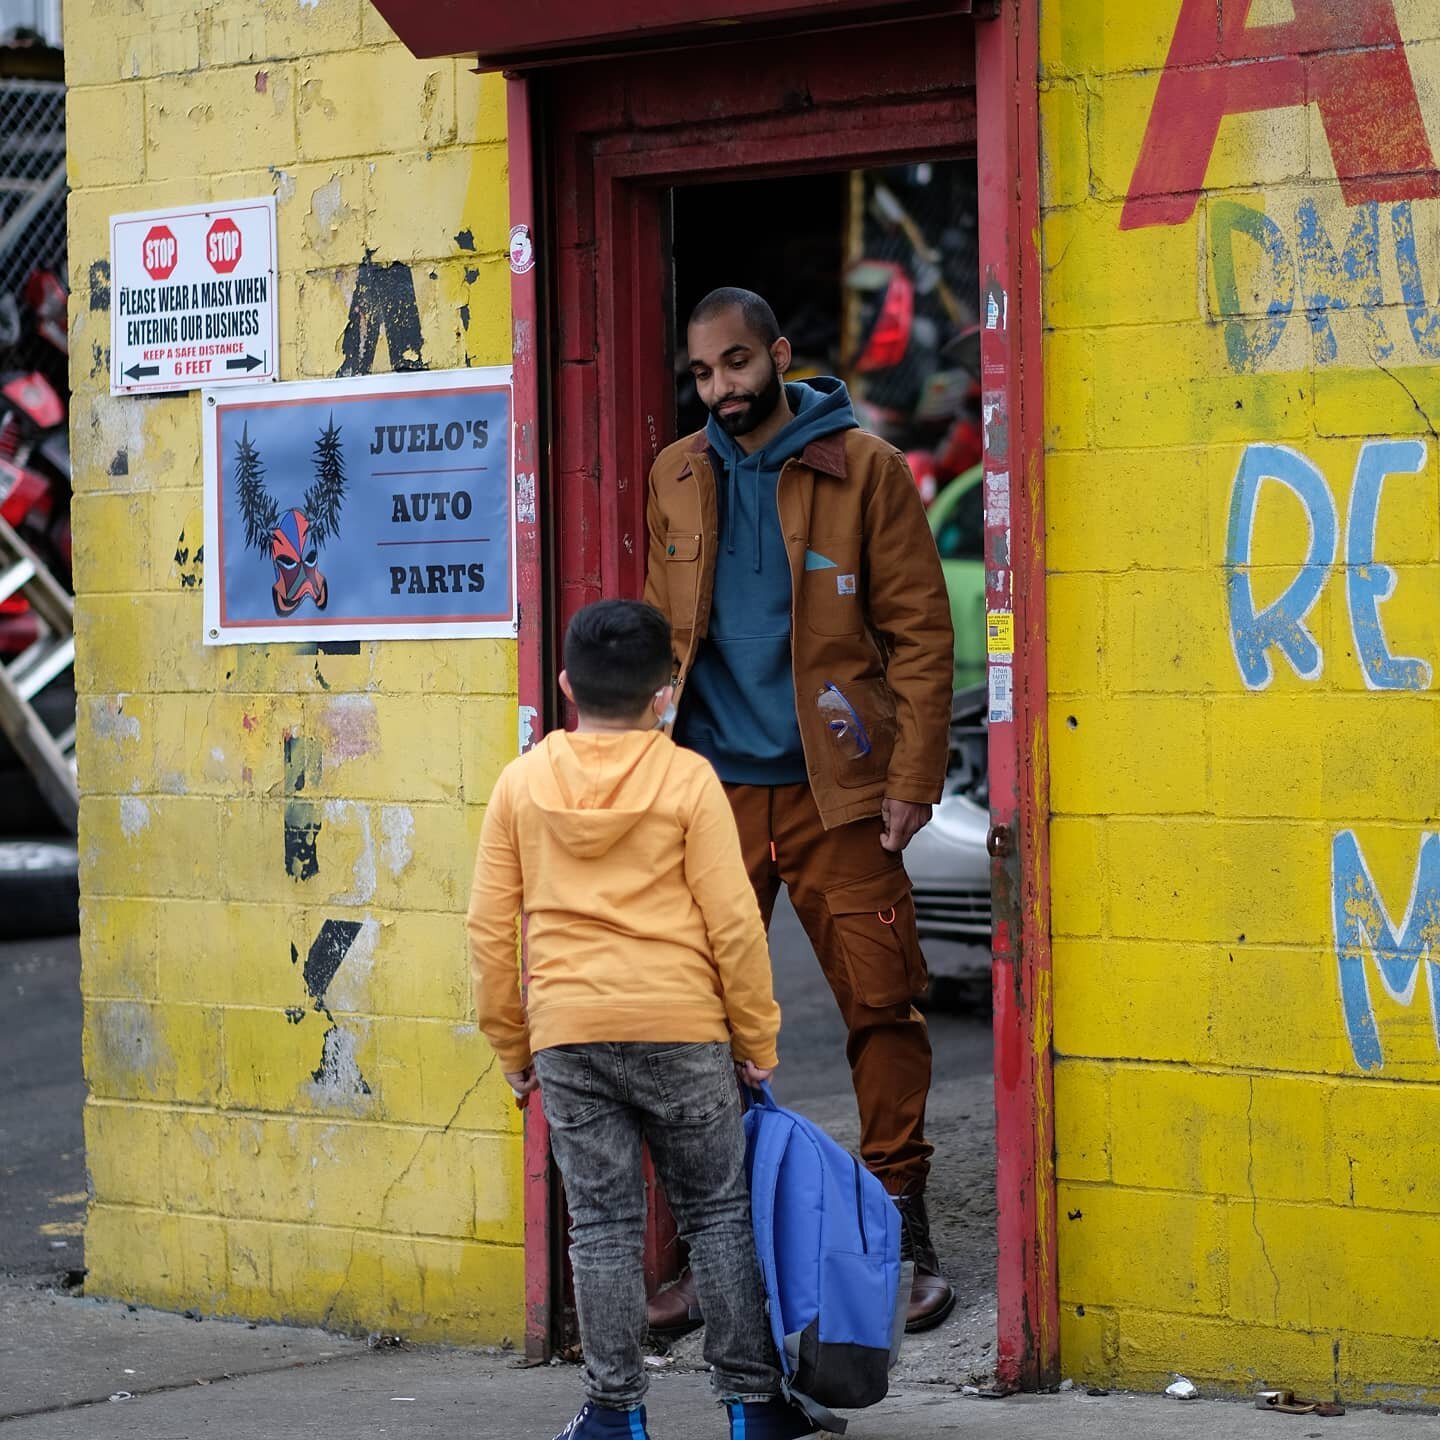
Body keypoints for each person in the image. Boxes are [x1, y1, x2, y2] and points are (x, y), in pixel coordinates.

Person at [643, 288, 957, 1333]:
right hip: (713, 792)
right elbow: (658, 640)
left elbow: (918, 632)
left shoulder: (861, 468)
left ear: (778, 354)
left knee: (880, 1001)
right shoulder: (677, 476)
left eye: (736, 365)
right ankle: (707, 1248)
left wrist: (912, 782)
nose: (721, 389)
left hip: (841, 789)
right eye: (702, 374)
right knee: (695, 1018)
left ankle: (899, 1236)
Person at [467, 598, 816, 1440]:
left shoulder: (521, 784)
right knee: (716, 1215)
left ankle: (614, 1413)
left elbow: (488, 929)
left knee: (604, 1225)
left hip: (569, 1035)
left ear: (564, 686)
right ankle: (752, 1406)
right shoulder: (687, 778)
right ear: (666, 690)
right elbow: (732, 921)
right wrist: (755, 1038)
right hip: (682, 1026)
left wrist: (512, 1045)